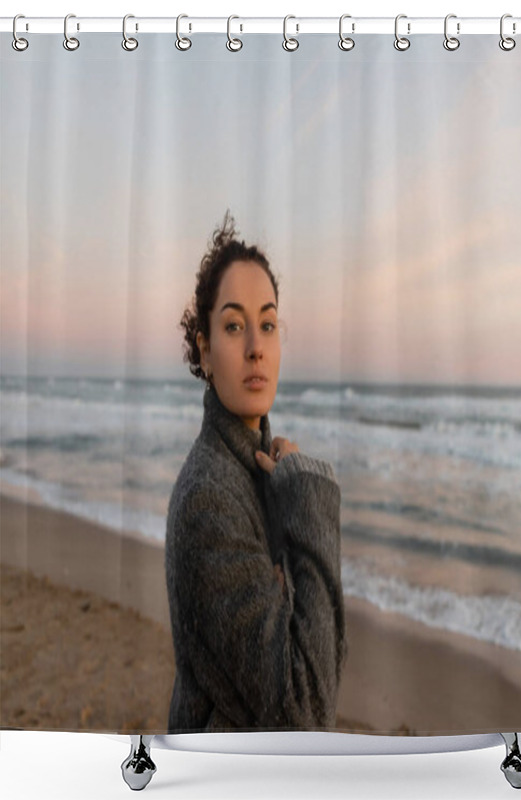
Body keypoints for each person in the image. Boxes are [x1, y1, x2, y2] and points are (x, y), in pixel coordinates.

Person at [164, 210, 347, 732]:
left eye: (267, 324)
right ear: (205, 348)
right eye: (234, 325)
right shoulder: (210, 498)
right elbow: (307, 711)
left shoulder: (257, 472)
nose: (255, 347)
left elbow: (327, 658)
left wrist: (291, 504)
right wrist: (310, 503)